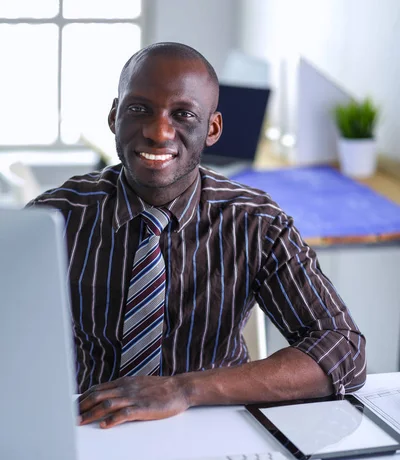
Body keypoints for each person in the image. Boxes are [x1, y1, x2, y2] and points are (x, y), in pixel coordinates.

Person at [28, 42, 366, 428]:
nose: (158, 132)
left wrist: (183, 389)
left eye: (183, 114)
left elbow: (344, 349)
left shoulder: (256, 223)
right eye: (139, 109)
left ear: (213, 129)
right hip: (87, 426)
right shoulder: (55, 217)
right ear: (113, 116)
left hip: (216, 426)